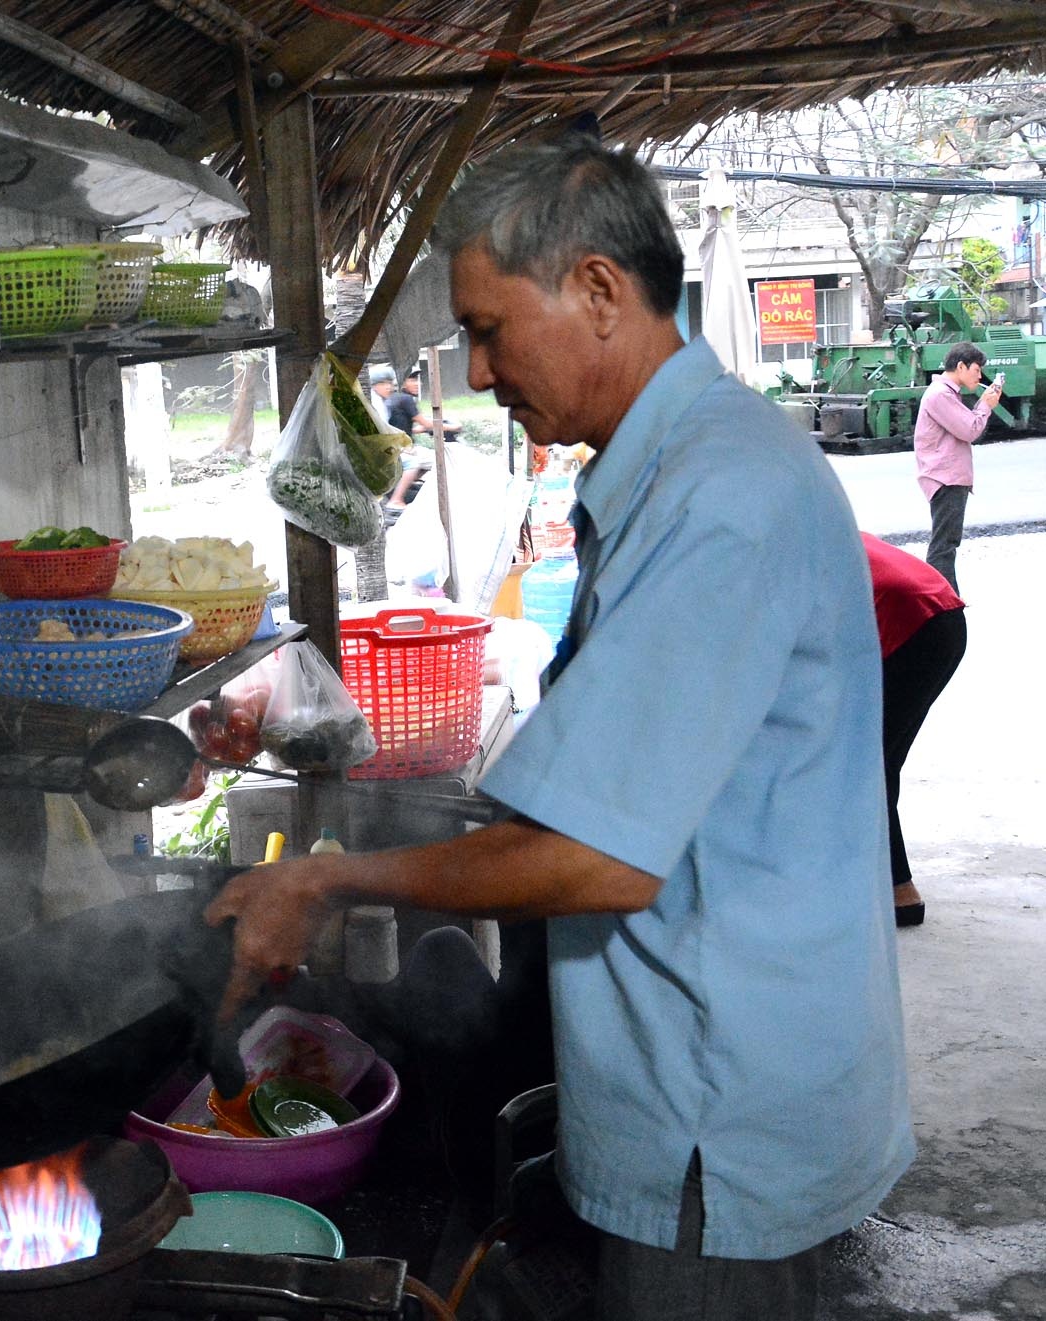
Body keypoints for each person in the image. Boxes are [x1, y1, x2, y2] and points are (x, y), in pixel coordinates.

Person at [207, 138, 911, 1321]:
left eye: (488, 330)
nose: (479, 372)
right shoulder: (689, 464)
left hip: (715, 1109)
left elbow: (597, 856)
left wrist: (325, 880)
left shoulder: (718, 499)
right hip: (719, 1064)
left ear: (596, 290)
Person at [862, 532, 967, 927]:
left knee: (866, 766)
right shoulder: (814, 526)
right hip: (941, 615)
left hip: (913, 623)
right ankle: (885, 883)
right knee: (877, 762)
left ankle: (898, 890)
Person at [913, 342, 1001, 591]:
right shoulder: (940, 394)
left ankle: (944, 600)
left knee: (946, 543)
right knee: (944, 545)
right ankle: (941, 602)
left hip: (948, 477)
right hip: (945, 478)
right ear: (961, 366)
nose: (979, 376)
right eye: (976, 370)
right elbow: (969, 430)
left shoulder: (946, 393)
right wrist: (985, 405)